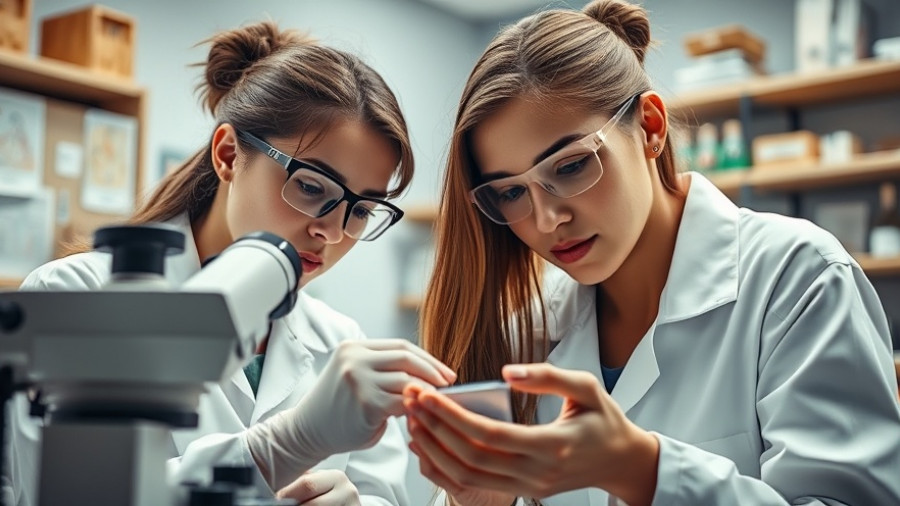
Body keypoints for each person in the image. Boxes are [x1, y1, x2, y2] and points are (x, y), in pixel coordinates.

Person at [402, 1, 900, 505]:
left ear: (651, 127)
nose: (546, 219)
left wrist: (643, 469)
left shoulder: (799, 278)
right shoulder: (530, 331)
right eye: (511, 192)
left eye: (571, 166)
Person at [3, 21, 456, 506]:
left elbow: (382, 495)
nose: (333, 231)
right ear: (227, 155)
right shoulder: (73, 296)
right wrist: (284, 444)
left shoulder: (341, 340)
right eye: (311, 186)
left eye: (361, 210)